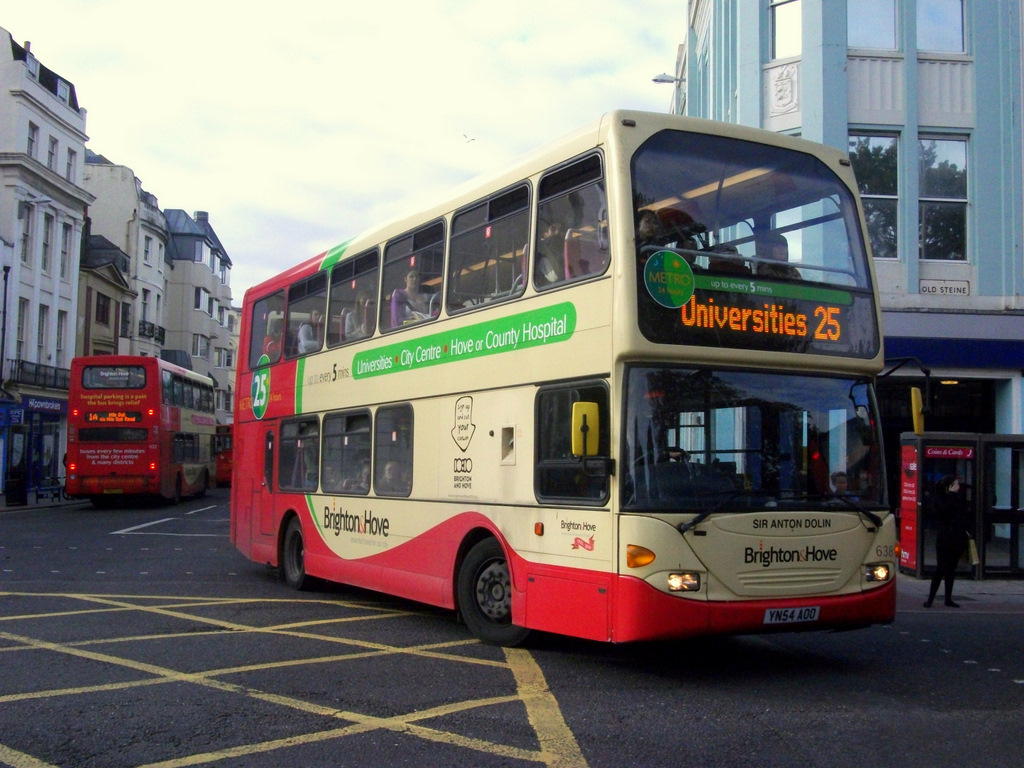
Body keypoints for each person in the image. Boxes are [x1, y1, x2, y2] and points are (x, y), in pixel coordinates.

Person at [924, 475, 970, 608]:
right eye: (956, 485)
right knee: (941, 568)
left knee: (951, 569)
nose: (959, 487)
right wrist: (952, 496)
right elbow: (944, 511)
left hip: (956, 537)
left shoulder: (958, 498)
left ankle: (948, 598)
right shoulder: (941, 499)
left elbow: (962, 515)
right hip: (945, 538)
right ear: (949, 487)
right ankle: (930, 598)